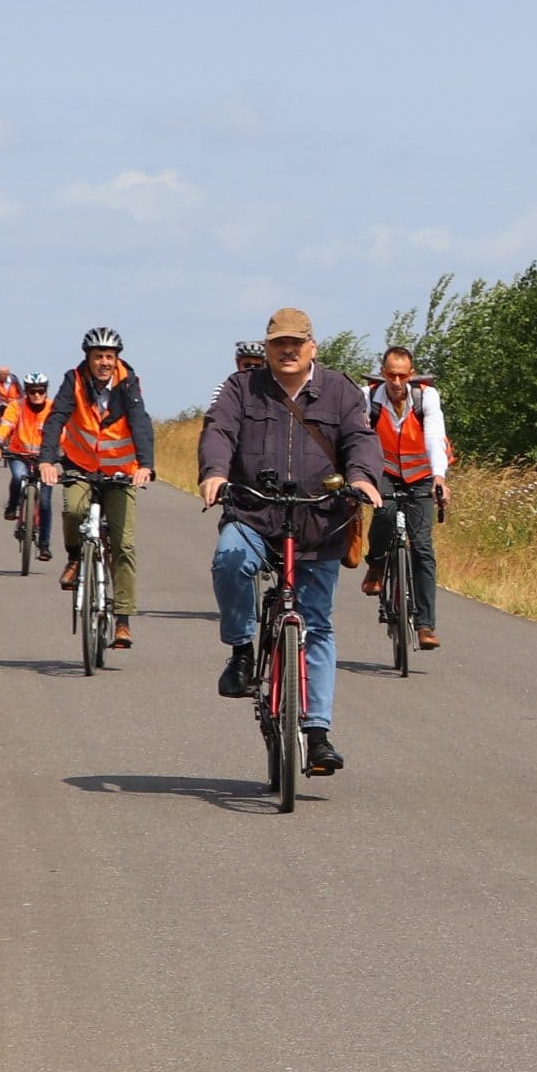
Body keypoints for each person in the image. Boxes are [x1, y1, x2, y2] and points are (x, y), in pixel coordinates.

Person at [199, 307, 384, 777]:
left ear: (311, 348)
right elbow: (218, 430)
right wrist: (216, 473)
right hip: (254, 512)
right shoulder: (242, 388)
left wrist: (362, 479)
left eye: (295, 343)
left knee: (317, 625)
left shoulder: (340, 390)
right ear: (266, 349)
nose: (287, 351)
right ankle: (241, 651)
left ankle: (317, 732)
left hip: (318, 520)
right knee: (230, 560)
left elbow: (361, 439)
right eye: (278, 343)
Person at [38, 328, 155, 649]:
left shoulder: (128, 382)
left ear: (116, 358)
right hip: (81, 465)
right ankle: (75, 558)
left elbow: (140, 421)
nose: (104, 362)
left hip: (121, 470)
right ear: (87, 358)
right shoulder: (73, 380)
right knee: (73, 509)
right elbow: (56, 418)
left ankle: (122, 620)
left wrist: (146, 465)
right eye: (98, 356)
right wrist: (47, 460)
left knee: (123, 545)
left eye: (109, 356)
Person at [361, 345, 450, 650]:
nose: (396, 382)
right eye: (391, 375)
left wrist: (439, 477)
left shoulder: (426, 397)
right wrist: (358, 477)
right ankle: (375, 563)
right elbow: (358, 438)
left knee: (422, 547)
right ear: (383, 373)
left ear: (411, 375)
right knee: (384, 514)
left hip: (421, 474)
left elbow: (434, 437)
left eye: (402, 376)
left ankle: (426, 625)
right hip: (384, 470)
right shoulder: (370, 397)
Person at [0, 371, 54, 556]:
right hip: (19, 454)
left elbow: (62, 433)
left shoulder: (54, 408)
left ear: (46, 391)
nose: (37, 395)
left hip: (45, 460)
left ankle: (44, 545)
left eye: (41, 391)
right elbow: (5, 426)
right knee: (18, 477)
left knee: (46, 503)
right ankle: (12, 505)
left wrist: (64, 454)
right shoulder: (16, 406)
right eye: (32, 392)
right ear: (26, 392)